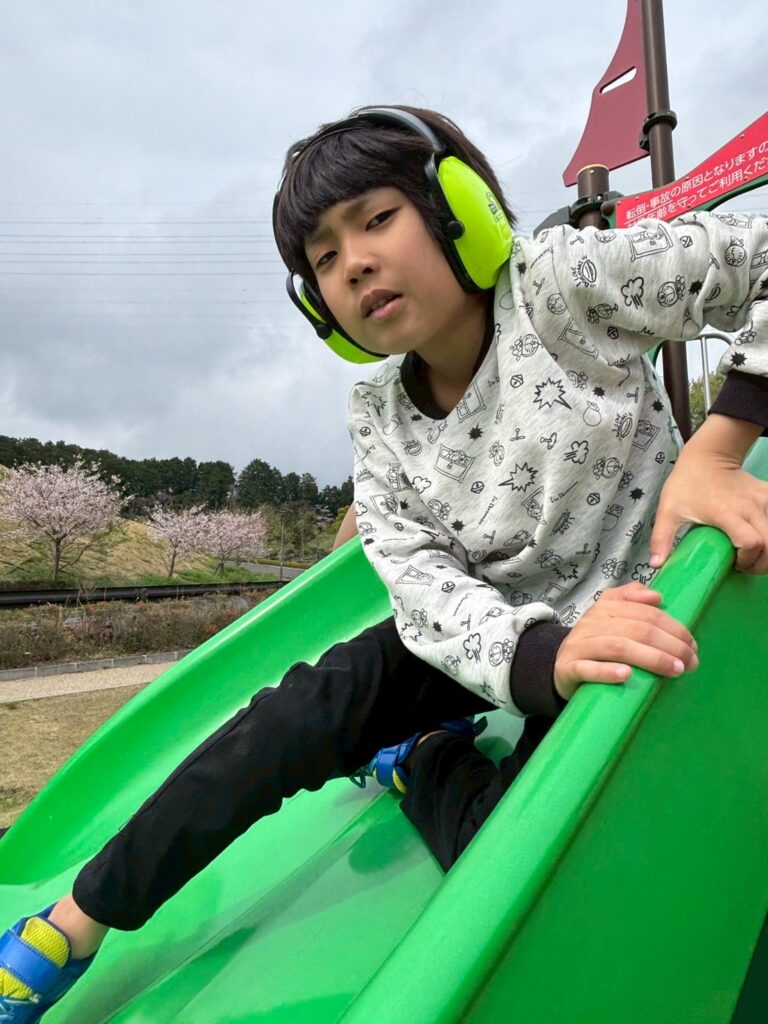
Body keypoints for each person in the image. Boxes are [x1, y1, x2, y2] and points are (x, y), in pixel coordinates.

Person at [2, 104, 767, 1021]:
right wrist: (535, 655)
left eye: (376, 219)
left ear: (460, 210)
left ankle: (428, 758)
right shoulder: (378, 416)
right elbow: (416, 575)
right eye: (325, 258)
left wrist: (720, 445)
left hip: (619, 620)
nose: (355, 263)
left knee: (520, 857)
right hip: (484, 632)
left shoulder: (561, 284)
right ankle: (77, 919)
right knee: (290, 717)